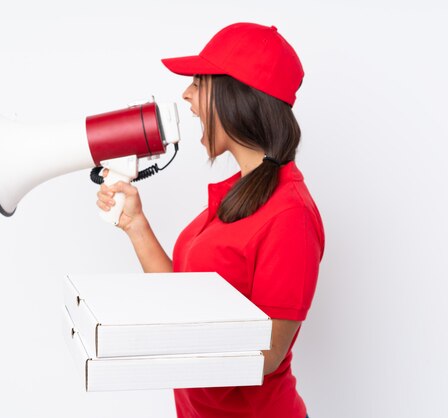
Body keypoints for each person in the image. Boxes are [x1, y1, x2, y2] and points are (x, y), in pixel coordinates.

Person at [96, 22, 324, 418]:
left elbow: (266, 354)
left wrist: (150, 349)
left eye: (199, 83)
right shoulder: (240, 194)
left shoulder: (291, 215)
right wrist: (136, 225)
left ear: (237, 96)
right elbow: (182, 302)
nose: (186, 94)